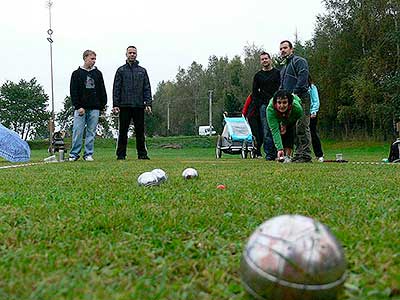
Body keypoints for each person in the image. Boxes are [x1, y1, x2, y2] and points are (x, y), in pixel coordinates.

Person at [113, 46, 152, 160]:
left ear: (136, 55)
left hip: (139, 105)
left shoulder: (142, 71)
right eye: (130, 53)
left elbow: (147, 88)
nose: (132, 55)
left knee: (140, 132)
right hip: (124, 105)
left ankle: (142, 154)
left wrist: (148, 103)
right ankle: (121, 154)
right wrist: (116, 104)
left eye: (134, 53)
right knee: (123, 131)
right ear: (126, 54)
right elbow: (116, 88)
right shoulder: (121, 70)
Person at [69, 50, 107, 161]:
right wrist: (78, 106)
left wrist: (102, 104)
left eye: (95, 59)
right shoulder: (76, 74)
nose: (94, 61)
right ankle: (74, 154)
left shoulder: (98, 74)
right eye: (92, 59)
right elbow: (73, 91)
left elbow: (102, 90)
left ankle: (88, 154)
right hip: (81, 108)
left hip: (94, 107)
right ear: (85, 58)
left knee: (91, 131)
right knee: (78, 131)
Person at [279, 40, 312, 163]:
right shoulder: (284, 68)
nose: (283, 50)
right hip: (290, 102)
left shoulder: (299, 61)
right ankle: (298, 154)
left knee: (302, 126)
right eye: (281, 48)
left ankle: (305, 155)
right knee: (294, 129)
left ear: (291, 49)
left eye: (285, 48)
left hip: (301, 98)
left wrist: (294, 94)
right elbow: (282, 87)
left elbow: (303, 78)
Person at [252, 52, 281, 160]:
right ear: (260, 61)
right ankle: (269, 154)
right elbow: (254, 92)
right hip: (264, 106)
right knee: (266, 130)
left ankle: (280, 152)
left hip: (278, 105)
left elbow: (281, 87)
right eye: (262, 59)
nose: (264, 61)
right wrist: (259, 104)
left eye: (266, 58)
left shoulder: (277, 73)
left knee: (278, 128)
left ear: (270, 59)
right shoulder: (258, 76)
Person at [266, 90, 304, 161]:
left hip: (291, 116)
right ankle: (278, 153)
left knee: (290, 131)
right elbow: (275, 130)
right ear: (275, 103)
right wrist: (280, 148)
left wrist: (285, 124)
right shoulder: (270, 110)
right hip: (277, 116)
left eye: (284, 102)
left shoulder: (297, 109)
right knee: (276, 133)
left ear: (289, 103)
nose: (282, 106)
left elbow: (295, 120)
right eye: (279, 103)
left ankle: (289, 155)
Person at [308, 75, 324, 162]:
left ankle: (319, 154)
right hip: (301, 114)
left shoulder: (312, 87)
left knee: (312, 133)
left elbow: (316, 100)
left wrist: (313, 111)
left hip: (311, 114)